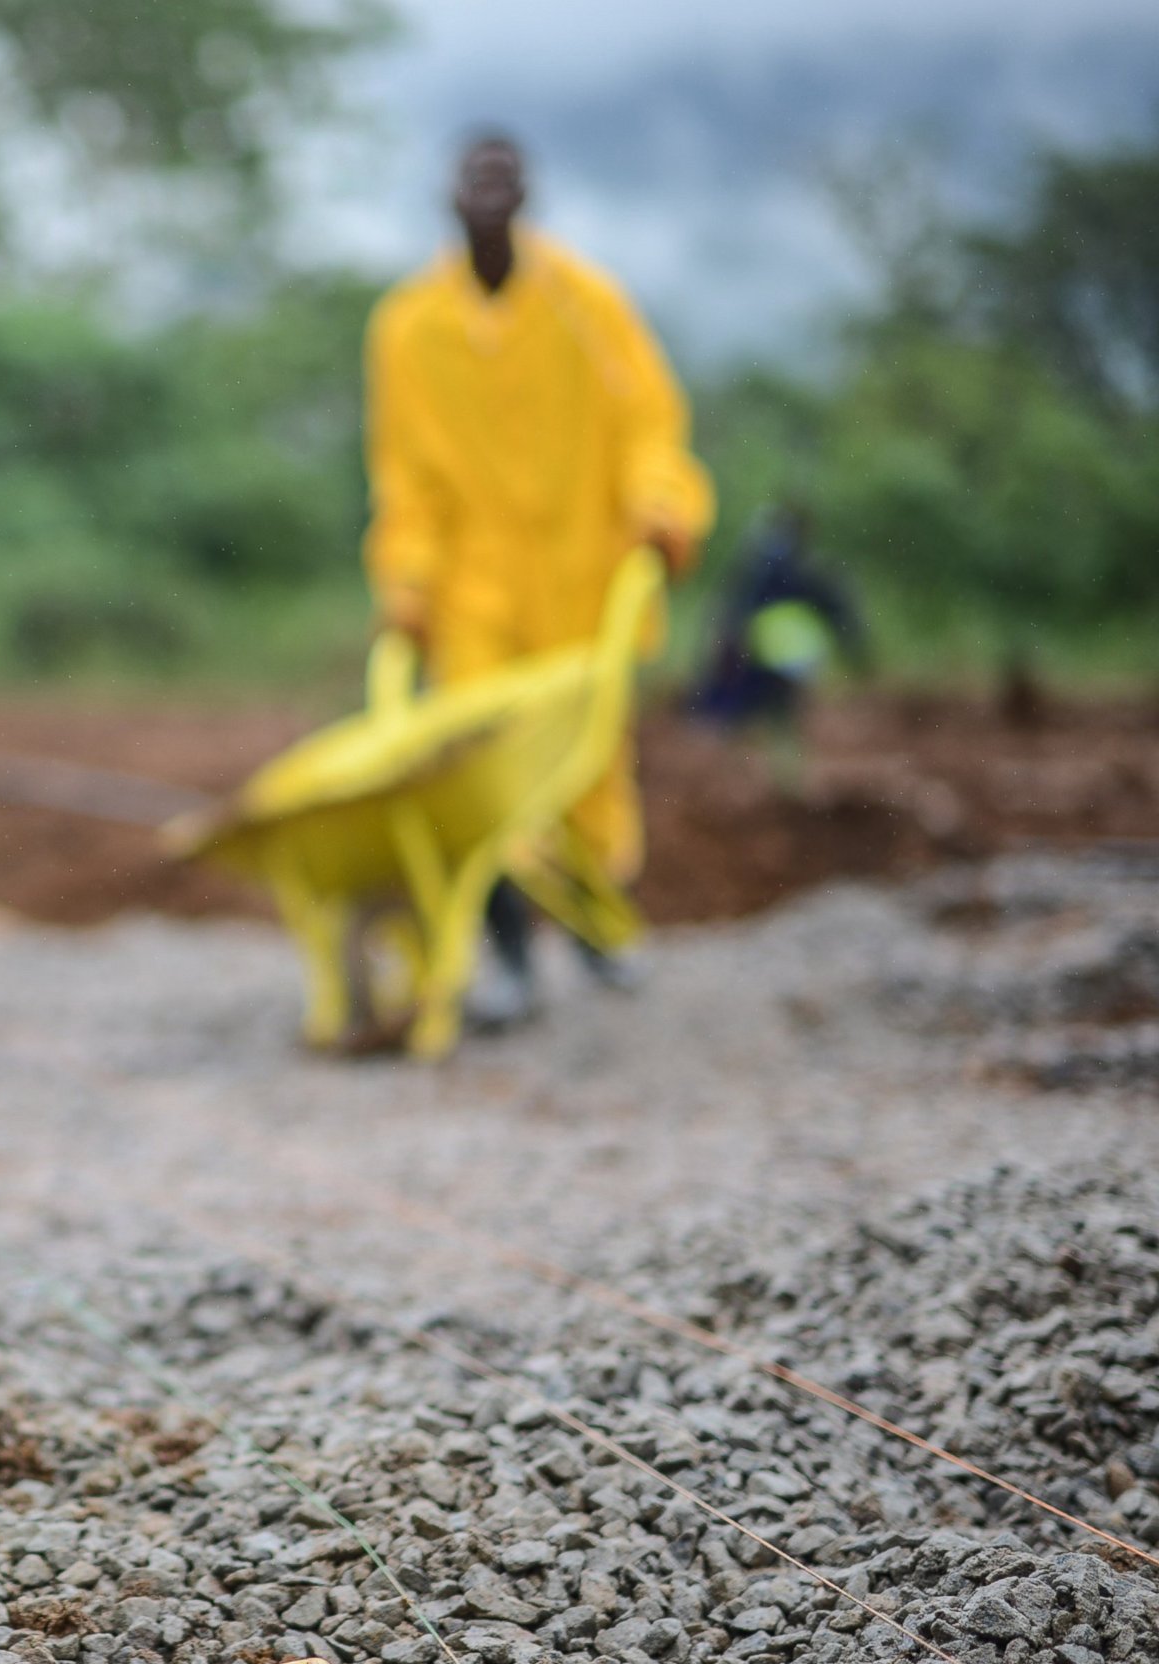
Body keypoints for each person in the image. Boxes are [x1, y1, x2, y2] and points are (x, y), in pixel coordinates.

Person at [362, 131, 715, 1022]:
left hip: (582, 578)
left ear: (526, 195)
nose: (487, 188)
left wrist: (660, 508)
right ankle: (512, 962)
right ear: (448, 197)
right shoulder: (409, 326)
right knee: (481, 771)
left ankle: (596, 925)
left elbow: (647, 424)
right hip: (473, 589)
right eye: (472, 174)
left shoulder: (589, 305)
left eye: (503, 174)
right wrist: (407, 577)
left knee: (584, 769)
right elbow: (405, 474)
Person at [688, 503, 869, 784]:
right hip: (785, 662)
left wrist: (724, 646)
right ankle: (778, 782)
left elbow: (733, 611)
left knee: (740, 717)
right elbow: (838, 608)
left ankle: (745, 783)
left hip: (758, 657)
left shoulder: (761, 563)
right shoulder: (801, 566)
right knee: (777, 721)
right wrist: (857, 651)